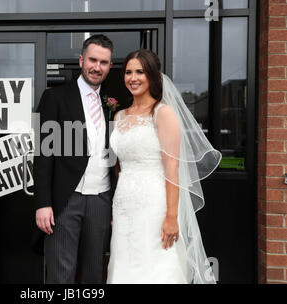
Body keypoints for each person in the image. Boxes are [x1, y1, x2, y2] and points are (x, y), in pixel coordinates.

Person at [106, 50, 221, 284]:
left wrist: (171, 215)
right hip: (123, 205)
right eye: (128, 72)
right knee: (124, 264)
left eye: (140, 71)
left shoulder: (163, 113)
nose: (133, 78)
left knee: (155, 267)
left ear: (152, 76)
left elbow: (172, 166)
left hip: (155, 204)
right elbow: (119, 167)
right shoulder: (118, 117)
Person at [33, 35, 116, 283]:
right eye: (92, 59)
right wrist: (42, 202)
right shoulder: (54, 98)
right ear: (81, 60)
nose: (96, 67)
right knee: (61, 274)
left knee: (93, 274)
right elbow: (42, 153)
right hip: (66, 199)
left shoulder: (111, 103)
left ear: (110, 66)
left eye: (103, 62)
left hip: (101, 200)